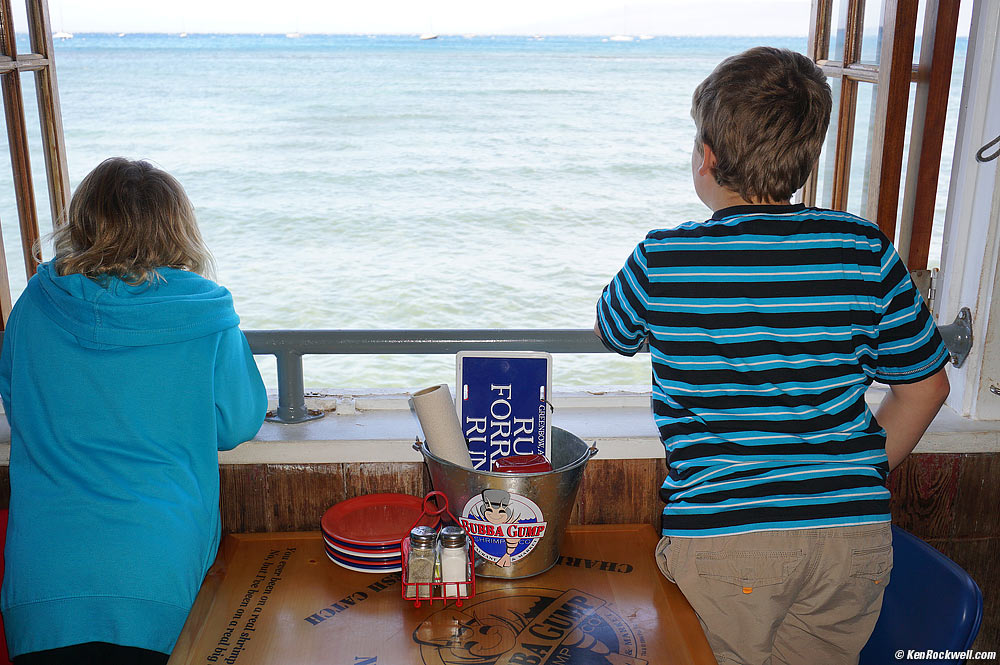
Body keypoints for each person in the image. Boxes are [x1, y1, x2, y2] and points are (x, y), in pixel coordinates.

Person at [595, 47, 950, 665]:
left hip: (727, 536)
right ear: (807, 159)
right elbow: (926, 387)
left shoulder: (665, 257)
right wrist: (856, 473)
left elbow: (613, 330)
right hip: (851, 535)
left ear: (707, 156)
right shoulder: (862, 248)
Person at [0, 158, 268, 664]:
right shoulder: (204, 311)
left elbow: (20, 401)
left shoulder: (35, 303)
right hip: (157, 569)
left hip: (44, 577)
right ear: (178, 227)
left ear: (82, 220)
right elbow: (236, 423)